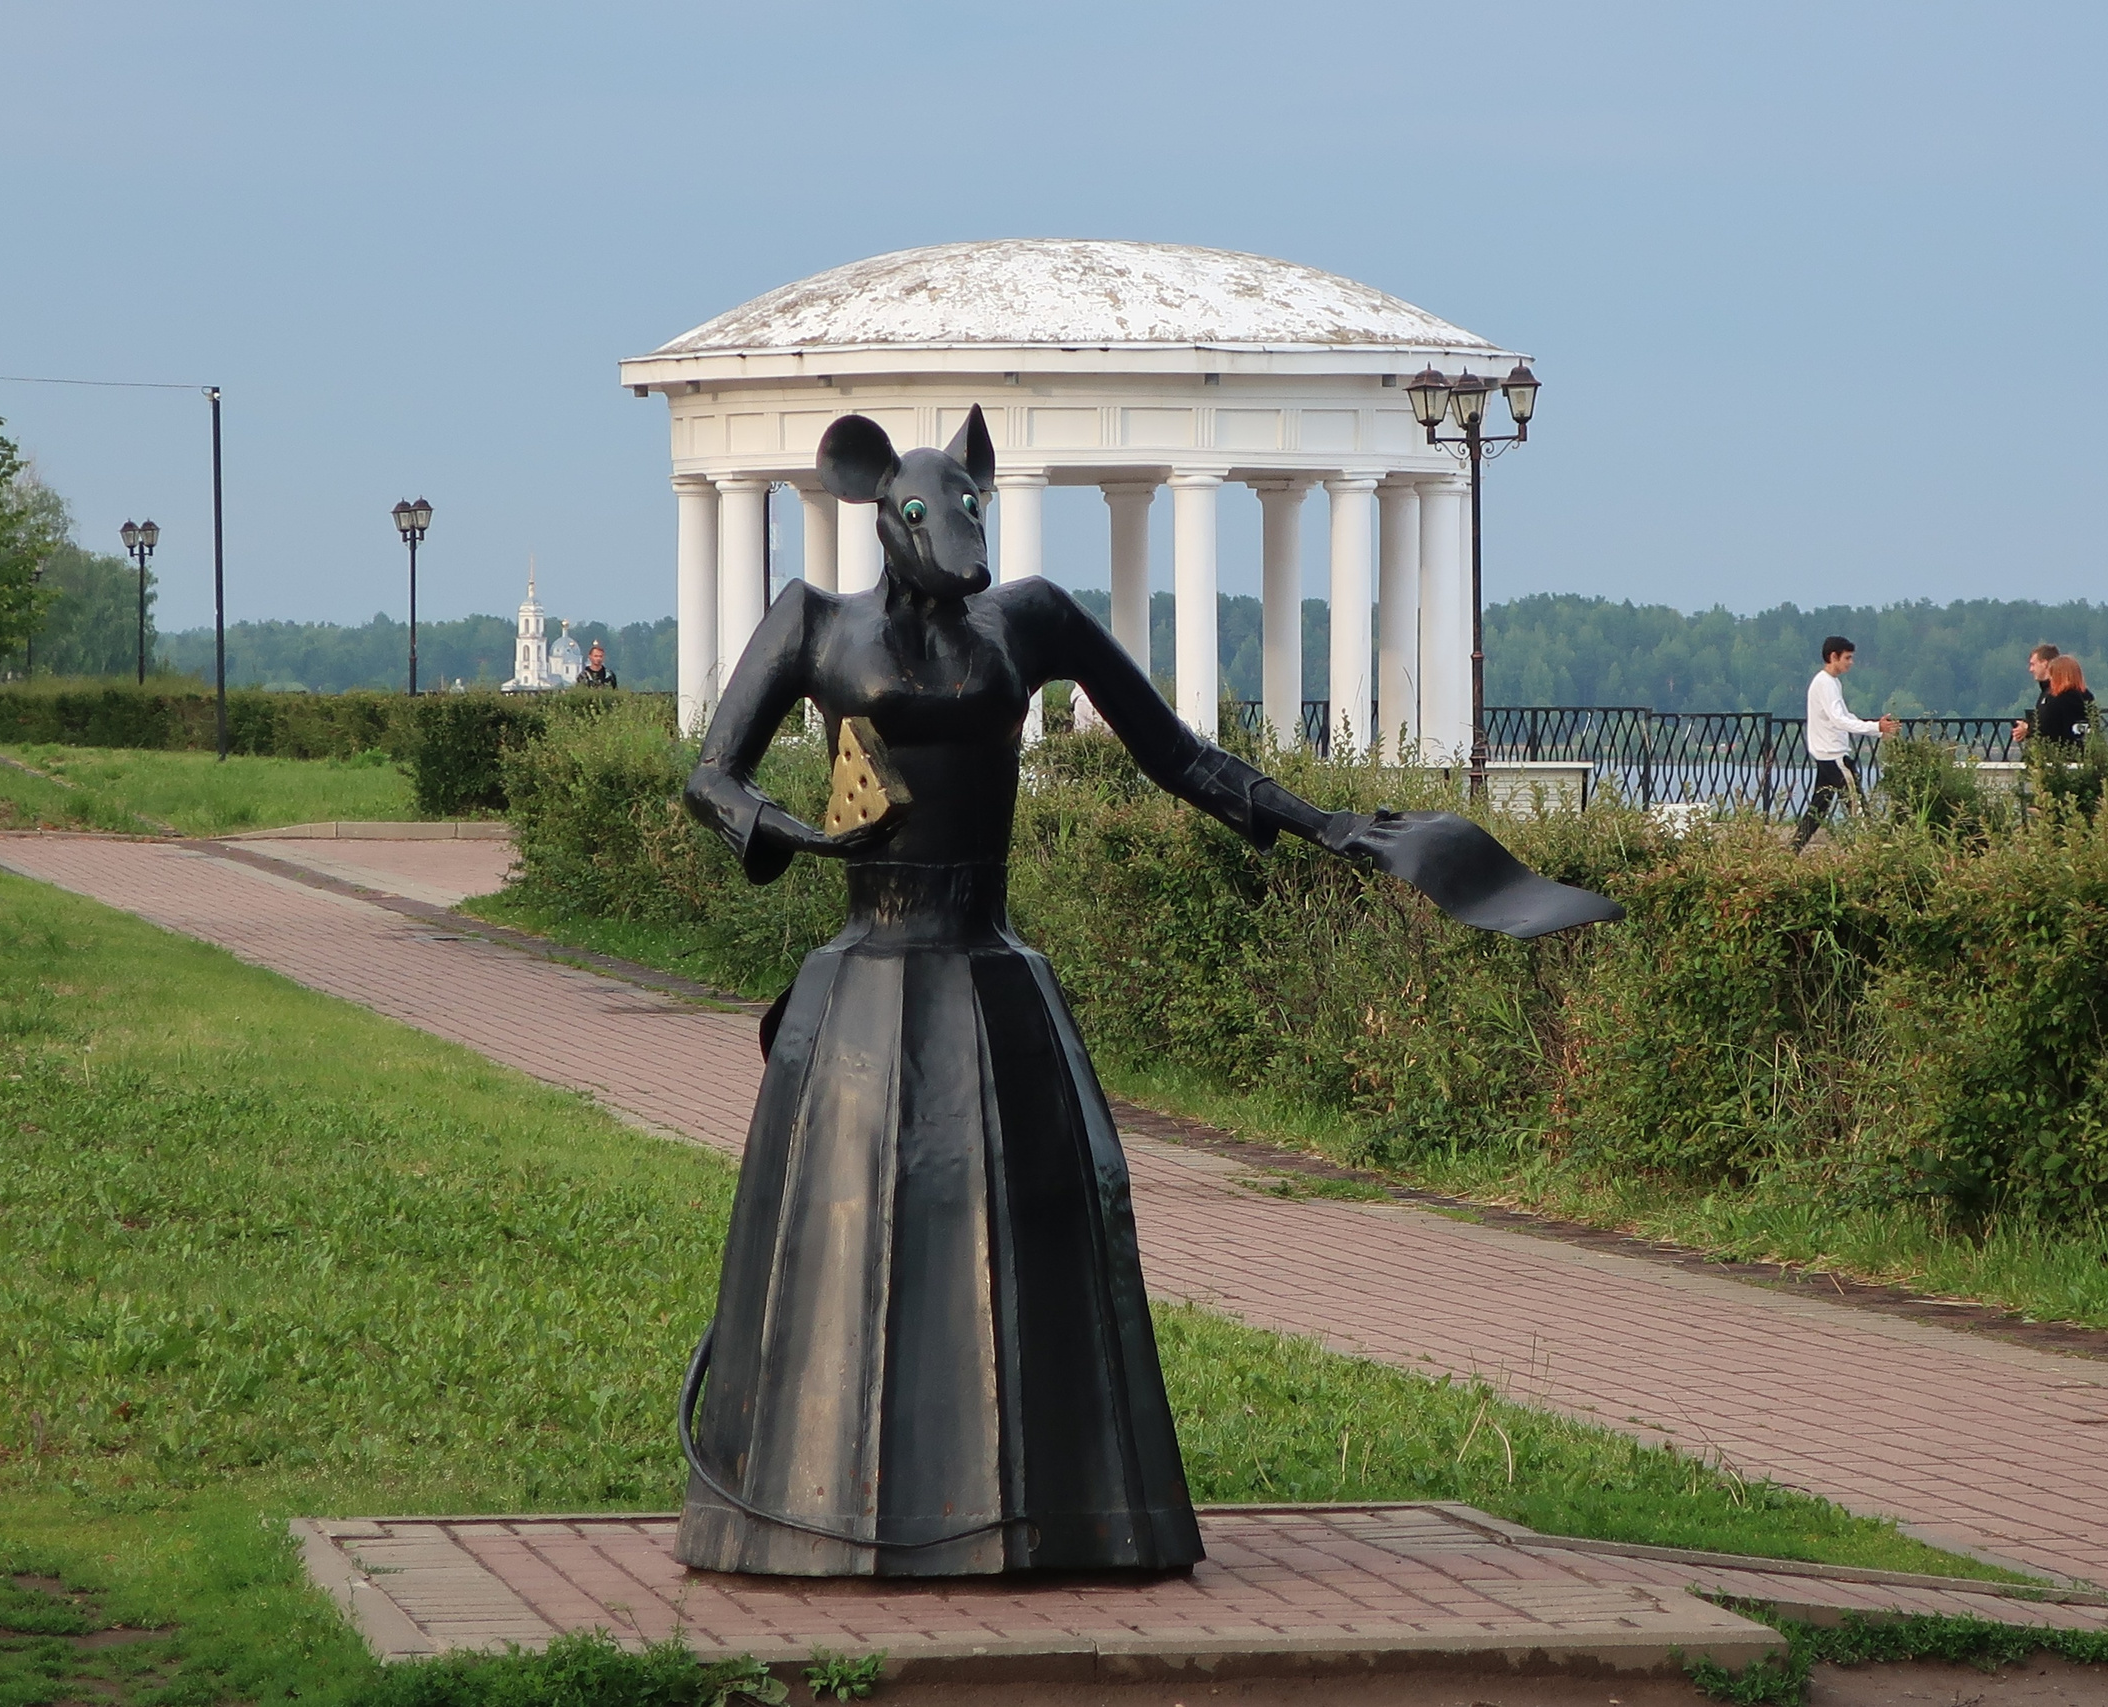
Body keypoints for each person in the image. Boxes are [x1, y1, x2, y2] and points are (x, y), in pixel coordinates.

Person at [675, 405, 1617, 1580]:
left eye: (970, 511)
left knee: (1032, 1241)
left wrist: (1314, 821)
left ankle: (1057, 1508)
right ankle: (814, 1503)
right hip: (864, 973)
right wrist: (761, 824)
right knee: (844, 1238)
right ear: (879, 511)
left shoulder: (1028, 619)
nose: (958, 540)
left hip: (987, 964)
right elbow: (711, 771)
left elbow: (1174, 751)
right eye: (931, 518)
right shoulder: (812, 624)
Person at [1793, 636, 1900, 852]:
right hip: (1834, 756)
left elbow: (1844, 715)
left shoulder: (1830, 682)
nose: (1851, 662)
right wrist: (1875, 728)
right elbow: (1839, 719)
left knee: (1818, 808)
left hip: (1826, 754)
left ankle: (1792, 850)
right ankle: (1871, 853)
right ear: (1833, 657)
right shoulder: (1825, 683)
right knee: (1857, 806)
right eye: (1847, 658)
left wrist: (1875, 729)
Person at [2035, 653, 2093, 746]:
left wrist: (2029, 728)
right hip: (2083, 750)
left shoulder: (2057, 698)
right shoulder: (2087, 696)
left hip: (2060, 751)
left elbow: (2047, 727)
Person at [2010, 644, 2059, 743]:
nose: (2031, 669)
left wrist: (2027, 728)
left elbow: (2051, 726)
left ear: (2045, 663)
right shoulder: (2046, 692)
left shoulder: (2058, 693)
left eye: (2033, 664)